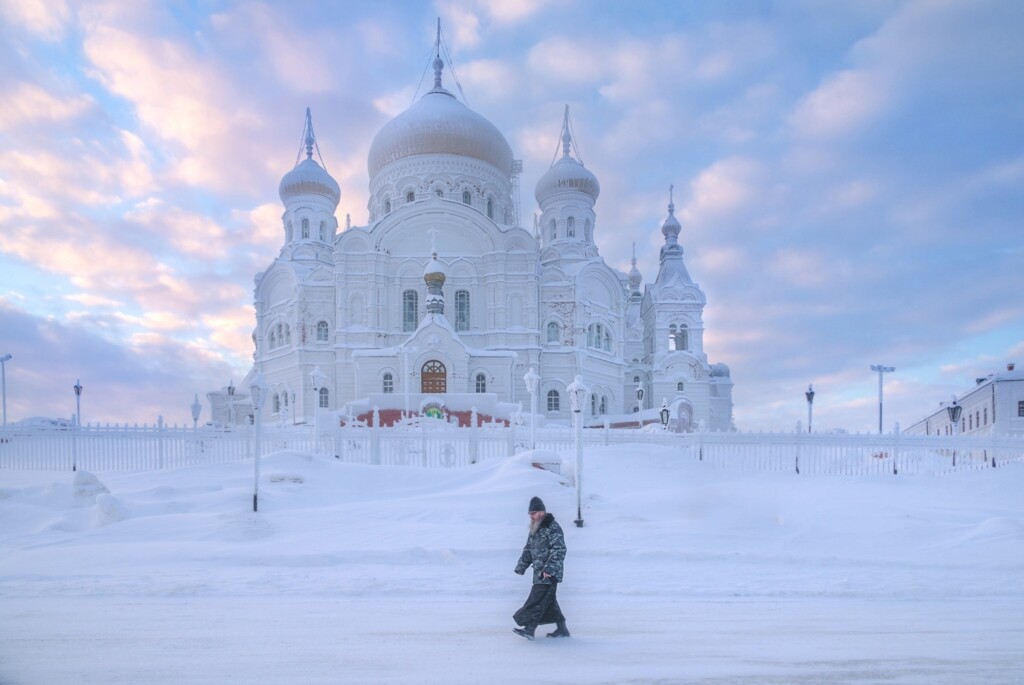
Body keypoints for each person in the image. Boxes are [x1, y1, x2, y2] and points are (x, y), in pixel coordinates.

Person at [512, 496, 570, 639]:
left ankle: (529, 630)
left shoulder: (553, 527)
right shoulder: (535, 528)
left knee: (536, 601)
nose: (531, 516)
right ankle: (562, 630)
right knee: (549, 602)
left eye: (533, 513)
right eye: (529, 514)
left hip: (549, 573)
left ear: (542, 511)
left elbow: (560, 549)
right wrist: (521, 566)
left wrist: (549, 570)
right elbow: (528, 549)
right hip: (540, 573)